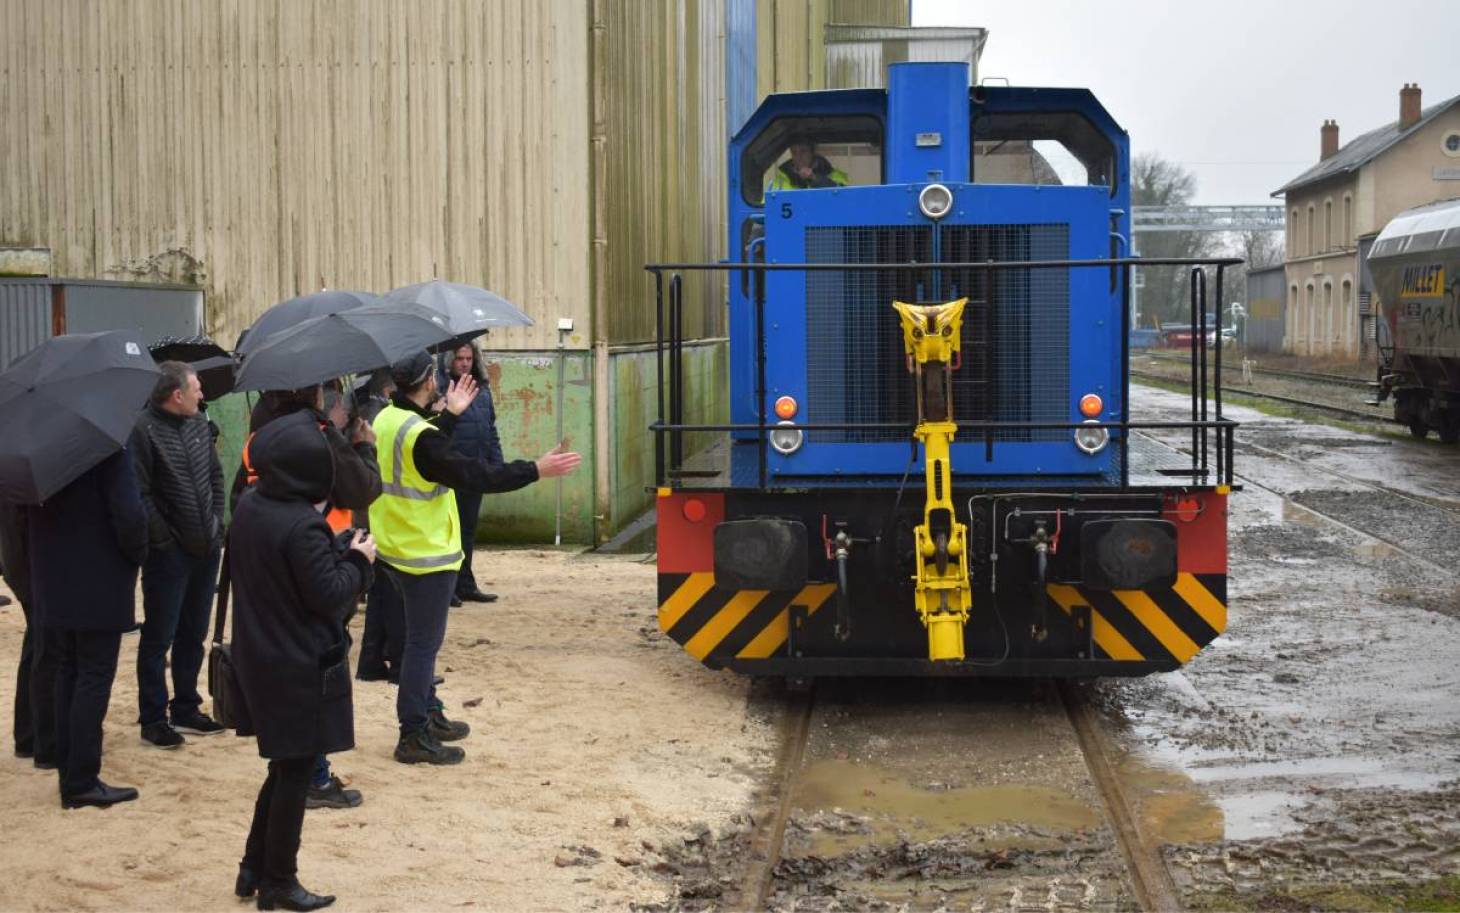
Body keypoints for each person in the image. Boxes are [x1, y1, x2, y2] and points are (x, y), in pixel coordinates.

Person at [371, 350, 580, 765]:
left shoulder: (385, 419)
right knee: (421, 647)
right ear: (430, 381)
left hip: (393, 547)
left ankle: (427, 713)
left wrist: (450, 414)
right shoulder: (422, 436)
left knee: (415, 643)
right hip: (426, 554)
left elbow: (423, 454)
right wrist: (535, 469)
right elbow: (473, 473)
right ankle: (413, 733)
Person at [229, 416, 374, 910]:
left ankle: (254, 868)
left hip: (261, 654)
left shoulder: (252, 505)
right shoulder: (300, 523)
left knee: (283, 766)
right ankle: (278, 881)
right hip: (295, 662)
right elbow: (330, 595)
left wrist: (334, 551)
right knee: (294, 774)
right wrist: (358, 562)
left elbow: (289, 574)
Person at [28, 449, 148, 808]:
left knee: (69, 670)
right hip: (99, 576)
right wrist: (138, 554)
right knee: (93, 675)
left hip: (55, 575)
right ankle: (81, 778)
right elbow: (130, 515)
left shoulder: (40, 454)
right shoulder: (107, 448)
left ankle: (69, 770)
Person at [130, 361, 227, 748]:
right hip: (168, 556)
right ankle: (153, 718)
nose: (202, 394)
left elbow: (216, 478)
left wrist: (217, 523)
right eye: (197, 388)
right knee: (158, 637)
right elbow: (141, 493)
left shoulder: (200, 426)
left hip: (206, 549)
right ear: (177, 395)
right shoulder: (142, 431)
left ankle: (186, 706)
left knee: (194, 633)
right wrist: (165, 541)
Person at [438, 341, 503, 607]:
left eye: (468, 358)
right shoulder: (444, 390)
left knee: (467, 530)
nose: (464, 363)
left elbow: (491, 428)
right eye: (459, 358)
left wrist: (496, 462)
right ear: (449, 362)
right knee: (450, 531)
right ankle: (449, 586)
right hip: (452, 470)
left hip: (476, 468)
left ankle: (465, 583)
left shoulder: (482, 390)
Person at [354, 371, 408, 683]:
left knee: (380, 591)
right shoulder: (381, 415)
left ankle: (371, 659)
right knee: (393, 592)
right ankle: (399, 662)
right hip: (383, 512)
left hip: (377, 509)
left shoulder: (369, 411)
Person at [3, 500, 57, 770]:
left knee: (37, 644)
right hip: (31, 562)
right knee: (46, 650)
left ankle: (28, 735)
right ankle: (44, 741)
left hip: (21, 558)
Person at [766, 136, 849, 191]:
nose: (798, 156)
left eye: (803, 151)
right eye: (794, 152)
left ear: (813, 152)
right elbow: (763, 211)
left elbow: (846, 199)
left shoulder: (836, 176)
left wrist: (815, 178)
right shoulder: (778, 182)